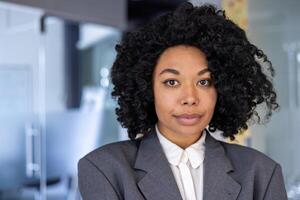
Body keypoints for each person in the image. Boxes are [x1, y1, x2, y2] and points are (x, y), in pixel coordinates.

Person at [78, 2, 288, 200]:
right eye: (171, 82)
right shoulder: (105, 168)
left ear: (223, 88)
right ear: (147, 88)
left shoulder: (261, 172)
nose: (190, 98)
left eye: (204, 82)